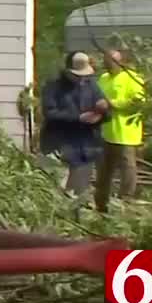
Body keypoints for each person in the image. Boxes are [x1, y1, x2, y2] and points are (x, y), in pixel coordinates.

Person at [41, 51, 108, 197]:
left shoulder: (92, 86)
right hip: (59, 147)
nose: (81, 78)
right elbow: (50, 113)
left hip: (86, 149)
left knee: (80, 196)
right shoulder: (54, 87)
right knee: (57, 194)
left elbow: (104, 113)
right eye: (77, 75)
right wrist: (78, 118)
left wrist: (103, 111)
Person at [96, 48, 146, 211]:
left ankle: (126, 205)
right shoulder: (103, 79)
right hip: (106, 132)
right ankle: (101, 205)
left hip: (126, 134)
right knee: (104, 172)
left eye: (110, 60)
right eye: (105, 60)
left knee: (128, 171)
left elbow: (138, 102)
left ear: (120, 61)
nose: (106, 63)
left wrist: (113, 103)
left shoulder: (132, 78)